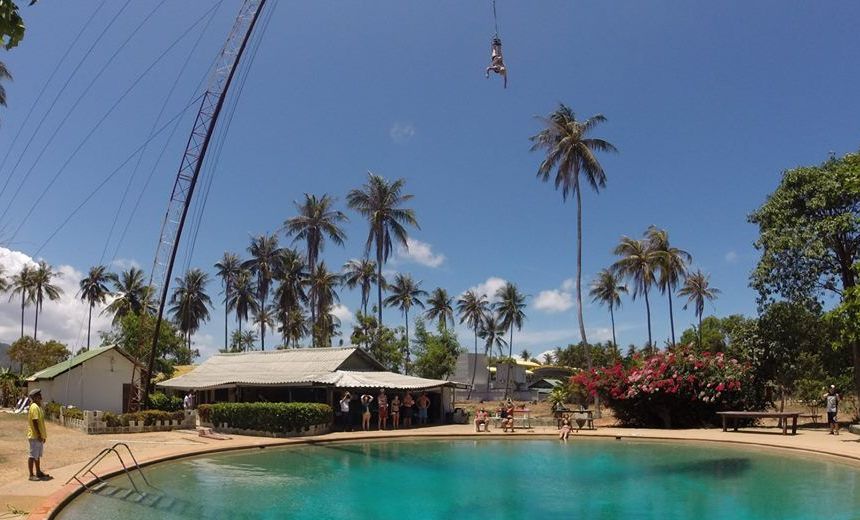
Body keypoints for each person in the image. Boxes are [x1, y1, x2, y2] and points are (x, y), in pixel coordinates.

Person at [27, 389, 51, 481]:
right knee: (32, 456)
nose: (41, 397)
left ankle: (38, 472)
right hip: (35, 436)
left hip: (38, 436)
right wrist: (39, 435)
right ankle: (31, 475)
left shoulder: (38, 407)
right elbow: (35, 422)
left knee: (37, 456)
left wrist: (43, 436)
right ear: (35, 397)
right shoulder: (34, 407)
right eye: (39, 395)